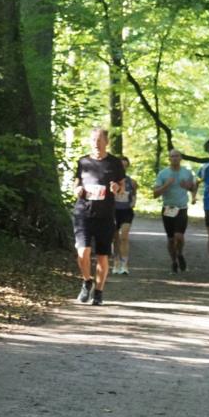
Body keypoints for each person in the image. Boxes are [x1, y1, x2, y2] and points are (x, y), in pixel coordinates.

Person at [72, 128, 125, 306]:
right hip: (83, 213)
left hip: (105, 215)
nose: (96, 143)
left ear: (106, 142)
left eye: (100, 140)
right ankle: (87, 281)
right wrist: (77, 190)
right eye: (93, 139)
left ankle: (99, 292)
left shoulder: (115, 163)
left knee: (103, 255)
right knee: (83, 251)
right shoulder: (83, 162)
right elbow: (76, 185)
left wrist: (116, 189)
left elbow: (122, 188)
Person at [152, 148, 197, 274]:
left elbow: (193, 188)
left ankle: (180, 254)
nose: (175, 158)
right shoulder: (163, 174)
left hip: (181, 208)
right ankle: (174, 261)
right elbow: (155, 194)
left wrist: (189, 188)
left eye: (177, 156)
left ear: (181, 158)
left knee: (179, 236)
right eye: (172, 156)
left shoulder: (187, 173)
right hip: (168, 208)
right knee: (171, 239)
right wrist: (166, 185)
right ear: (169, 159)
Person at [112, 155, 138, 275]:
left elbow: (134, 196)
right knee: (115, 238)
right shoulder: (111, 182)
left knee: (124, 237)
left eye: (125, 166)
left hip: (126, 211)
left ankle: (125, 264)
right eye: (121, 166)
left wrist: (133, 202)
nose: (123, 168)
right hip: (113, 211)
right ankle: (116, 262)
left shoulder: (131, 182)